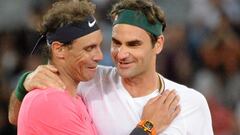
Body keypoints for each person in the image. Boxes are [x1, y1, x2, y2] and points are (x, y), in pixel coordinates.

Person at [8, 0, 206, 135]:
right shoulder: (84, 81)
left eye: (133, 44)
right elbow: (16, 116)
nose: (120, 53)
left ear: (159, 44)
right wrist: (24, 84)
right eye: (116, 42)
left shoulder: (190, 102)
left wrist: (25, 83)